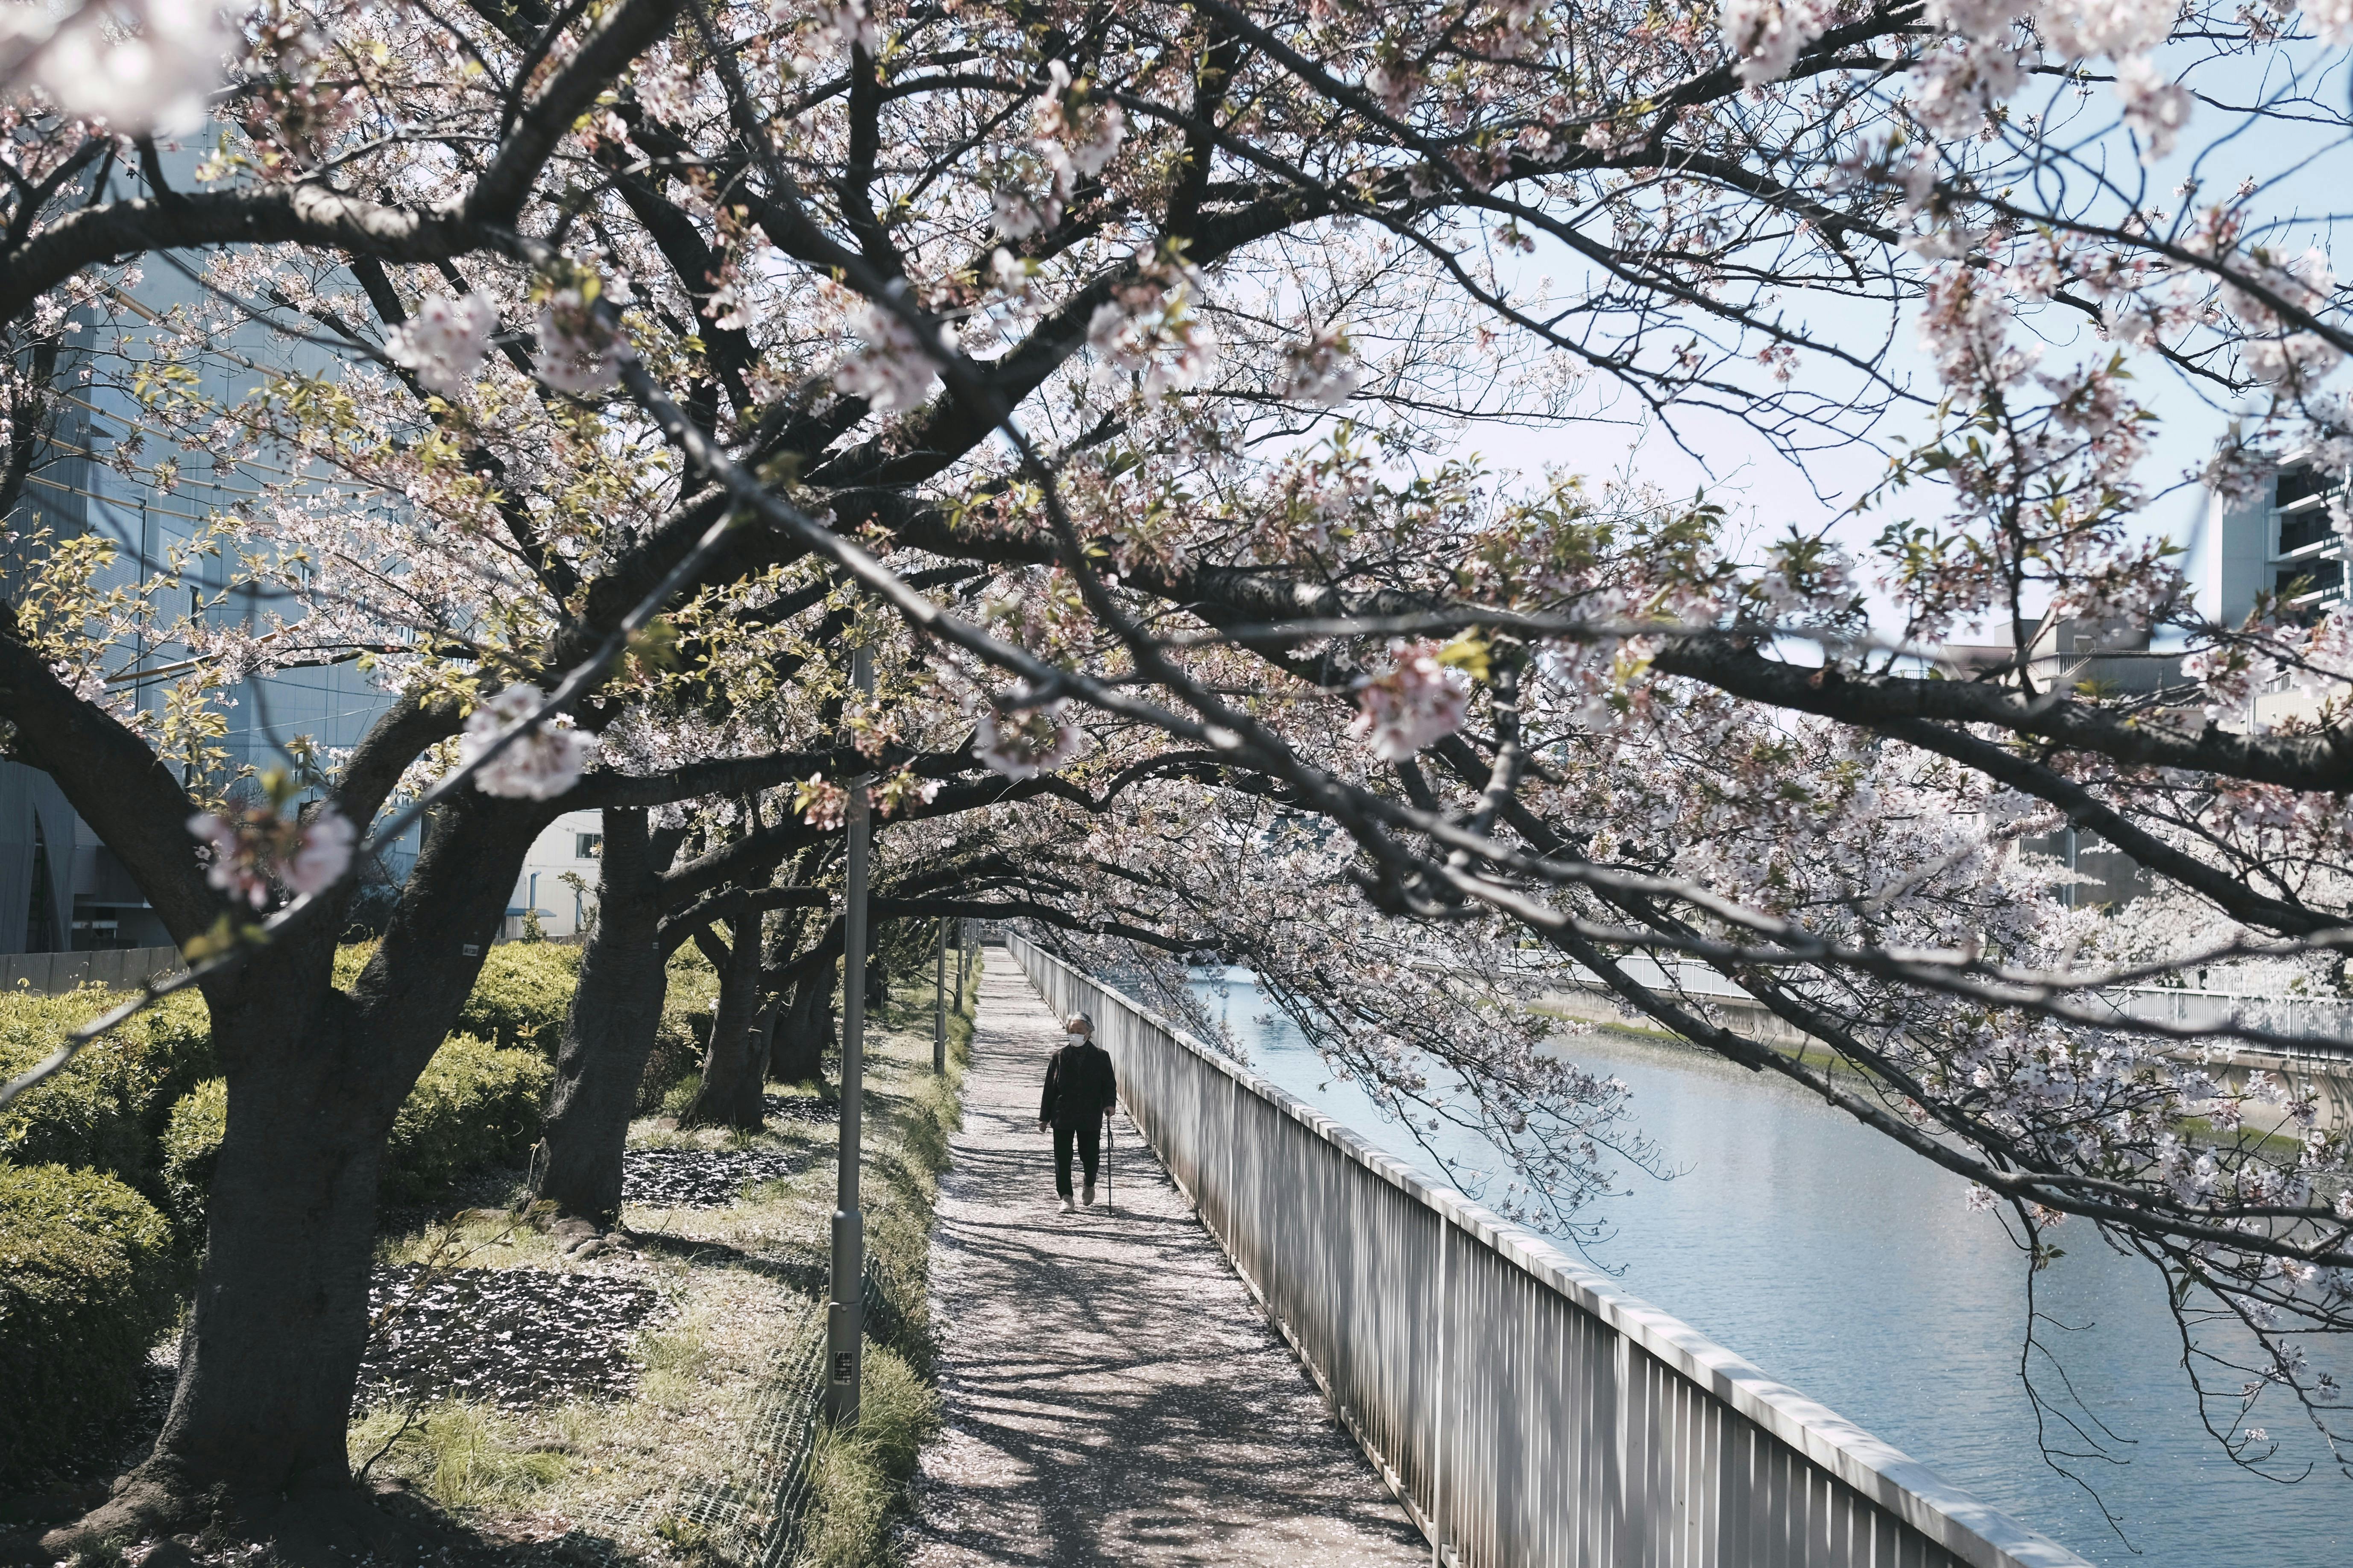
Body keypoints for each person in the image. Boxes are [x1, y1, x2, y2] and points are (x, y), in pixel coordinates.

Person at [1039, 1011, 1116, 1213]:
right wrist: (1044, 1118)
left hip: (1090, 1113)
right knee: (1062, 1157)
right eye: (1072, 1031)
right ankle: (1066, 1197)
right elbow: (1050, 1089)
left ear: (1089, 1032)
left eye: (1080, 1031)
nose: (1075, 1035)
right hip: (1063, 1114)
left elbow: (1109, 1084)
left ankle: (1089, 1183)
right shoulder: (1059, 1057)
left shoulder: (1101, 1057)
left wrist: (1109, 1104)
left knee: (1090, 1155)